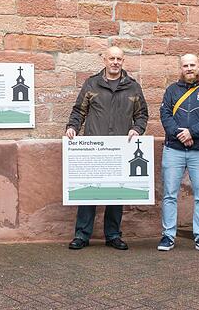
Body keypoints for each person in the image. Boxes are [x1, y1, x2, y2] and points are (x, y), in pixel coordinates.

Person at [65, 46, 149, 251]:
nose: (115, 62)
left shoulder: (132, 87)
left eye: (119, 59)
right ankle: (81, 235)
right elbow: (79, 110)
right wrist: (72, 128)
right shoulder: (92, 84)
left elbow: (142, 114)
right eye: (111, 58)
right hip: (94, 148)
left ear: (123, 61)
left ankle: (113, 235)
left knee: (115, 193)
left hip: (120, 148)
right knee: (88, 192)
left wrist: (137, 129)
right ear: (104, 60)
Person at [158, 54, 199, 253]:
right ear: (180, 68)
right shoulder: (171, 90)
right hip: (173, 150)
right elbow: (165, 115)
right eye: (185, 65)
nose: (189, 68)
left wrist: (192, 132)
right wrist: (181, 135)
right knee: (169, 195)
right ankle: (168, 235)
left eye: (192, 65)